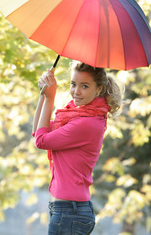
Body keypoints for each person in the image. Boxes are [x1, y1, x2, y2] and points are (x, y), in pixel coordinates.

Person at [32, 62, 122, 235]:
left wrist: (50, 98)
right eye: (73, 84)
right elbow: (37, 132)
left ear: (98, 90)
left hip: (70, 212)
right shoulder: (78, 117)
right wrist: (43, 95)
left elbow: (41, 141)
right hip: (67, 211)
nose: (76, 91)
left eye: (84, 86)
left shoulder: (87, 123)